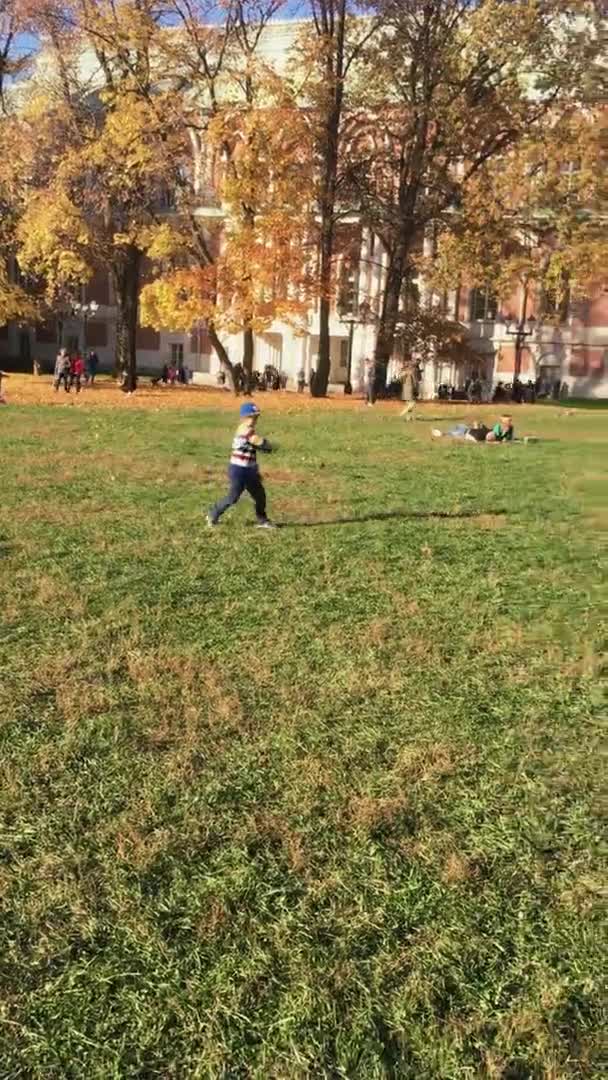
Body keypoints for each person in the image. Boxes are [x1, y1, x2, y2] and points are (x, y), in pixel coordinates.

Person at [207, 402, 277, 529]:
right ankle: (213, 513)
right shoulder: (244, 430)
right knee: (233, 498)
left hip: (249, 470)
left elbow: (254, 445)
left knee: (260, 496)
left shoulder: (249, 429)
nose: (254, 420)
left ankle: (262, 520)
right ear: (243, 417)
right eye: (251, 417)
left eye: (256, 417)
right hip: (238, 470)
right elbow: (257, 441)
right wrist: (267, 445)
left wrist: (255, 470)